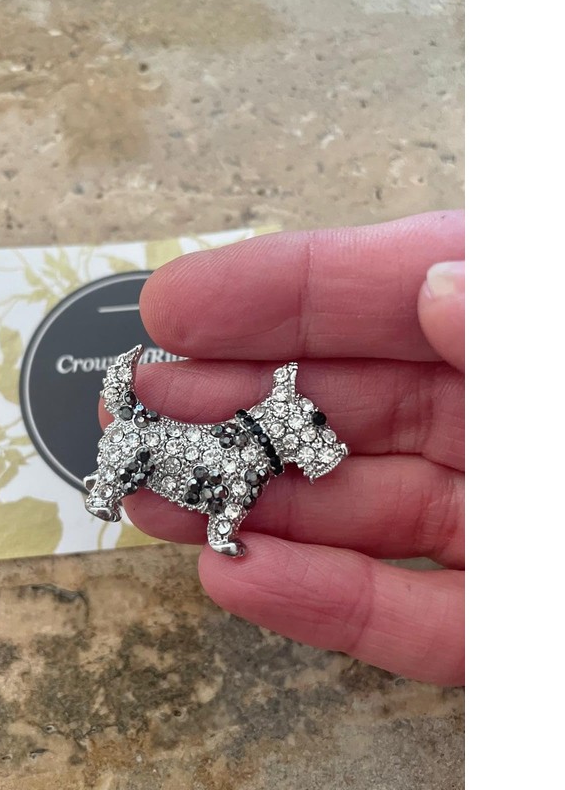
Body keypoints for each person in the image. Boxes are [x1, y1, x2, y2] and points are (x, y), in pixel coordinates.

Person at [103, 210, 464, 686]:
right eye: (308, 422)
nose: (316, 430)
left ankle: (167, 510)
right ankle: (106, 491)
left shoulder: (259, 454)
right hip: (150, 438)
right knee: (168, 468)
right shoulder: (245, 446)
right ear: (281, 419)